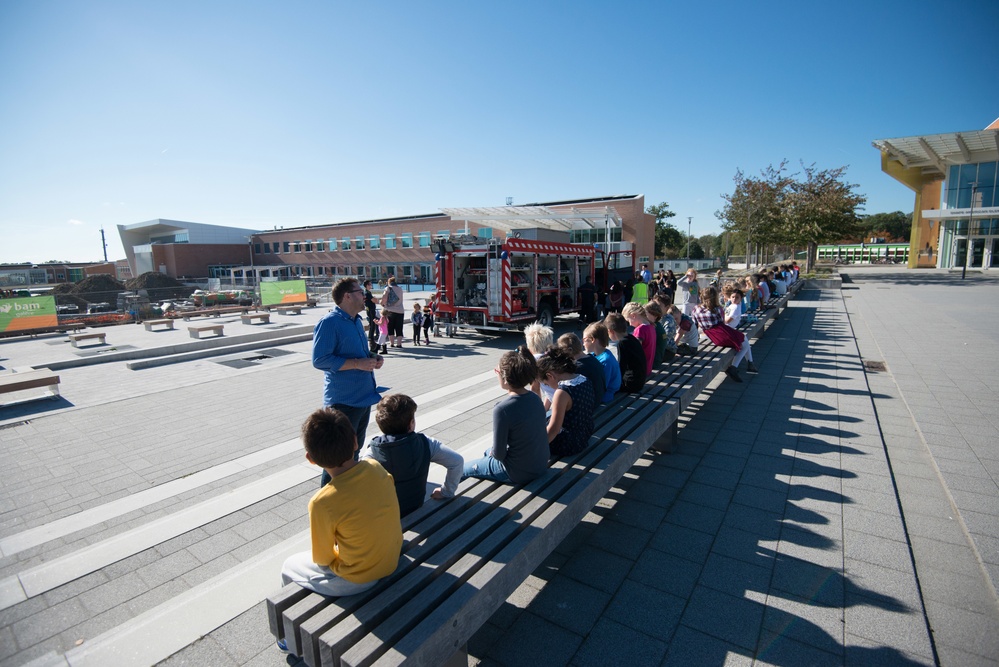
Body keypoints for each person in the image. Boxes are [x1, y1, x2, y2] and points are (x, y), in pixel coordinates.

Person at [279, 408, 402, 602]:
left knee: (288, 565)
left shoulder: (322, 502)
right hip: (390, 561)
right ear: (355, 441)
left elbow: (323, 559)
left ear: (310, 458)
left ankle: (291, 624)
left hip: (357, 580)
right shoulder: (376, 467)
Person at [312, 277, 385, 487]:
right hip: (343, 401)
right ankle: (327, 502)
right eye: (360, 292)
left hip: (363, 398)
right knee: (338, 457)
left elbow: (356, 353)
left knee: (354, 452)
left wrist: (371, 357)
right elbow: (320, 360)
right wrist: (357, 364)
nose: (365, 295)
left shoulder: (355, 320)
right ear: (347, 296)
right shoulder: (329, 323)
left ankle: (347, 495)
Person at [362, 394, 463, 516]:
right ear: (411, 424)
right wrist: (446, 491)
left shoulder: (373, 452)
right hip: (415, 504)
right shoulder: (426, 443)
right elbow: (457, 462)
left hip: (387, 514)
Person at [462, 347, 549, 483]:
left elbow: (499, 454)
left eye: (497, 371)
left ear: (505, 378)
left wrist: (494, 453)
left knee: (462, 468)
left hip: (517, 471)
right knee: (487, 452)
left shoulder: (502, 409)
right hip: (540, 465)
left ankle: (446, 497)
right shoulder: (535, 398)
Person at [537, 347, 596, 458]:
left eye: (546, 383)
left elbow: (553, 430)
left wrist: (535, 448)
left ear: (550, 376)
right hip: (584, 435)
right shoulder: (584, 379)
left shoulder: (562, 392)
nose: (547, 386)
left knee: (532, 433)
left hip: (568, 444)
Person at [691, 286, 758, 383]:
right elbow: (722, 323)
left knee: (744, 340)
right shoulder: (718, 309)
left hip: (707, 334)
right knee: (744, 342)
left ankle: (749, 364)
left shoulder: (695, 309)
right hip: (720, 333)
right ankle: (734, 367)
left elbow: (695, 325)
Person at [557, 332, 606, 407]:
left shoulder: (578, 368)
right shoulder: (592, 359)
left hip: (590, 405)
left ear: (569, 350)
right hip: (599, 399)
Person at [604, 312, 646, 393]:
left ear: (611, 331)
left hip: (631, 384)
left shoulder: (622, 343)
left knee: (608, 386)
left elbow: (621, 366)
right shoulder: (632, 338)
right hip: (640, 381)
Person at [582, 322, 621, 402]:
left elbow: (602, 386)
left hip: (606, 394)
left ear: (592, 340)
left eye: (585, 340)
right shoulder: (596, 354)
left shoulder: (606, 361)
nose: (583, 344)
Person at [622, 302, 656, 376]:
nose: (630, 324)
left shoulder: (640, 329)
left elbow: (636, 351)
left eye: (628, 321)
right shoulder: (651, 326)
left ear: (633, 315)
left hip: (640, 370)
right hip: (648, 368)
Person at [644, 301, 675, 365]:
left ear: (655, 316)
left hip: (654, 361)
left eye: (646, 314)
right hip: (658, 358)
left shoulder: (653, 327)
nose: (644, 316)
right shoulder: (657, 325)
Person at [380, 276, 406, 348]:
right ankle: (399, 344)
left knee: (390, 327)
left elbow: (384, 298)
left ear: (389, 282)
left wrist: (382, 303)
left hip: (390, 310)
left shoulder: (388, 288)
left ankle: (392, 343)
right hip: (400, 311)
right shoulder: (400, 289)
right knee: (399, 327)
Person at [362, 280, 378, 354]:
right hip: (370, 310)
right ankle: (370, 338)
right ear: (367, 285)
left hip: (371, 309)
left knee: (373, 324)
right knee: (372, 324)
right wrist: (376, 300)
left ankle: (371, 337)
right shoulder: (367, 293)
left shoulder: (368, 292)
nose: (371, 285)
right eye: (370, 284)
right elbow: (373, 300)